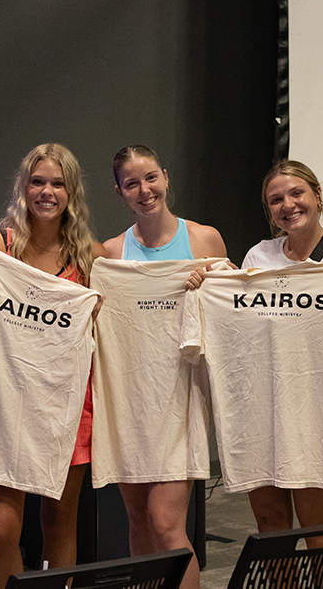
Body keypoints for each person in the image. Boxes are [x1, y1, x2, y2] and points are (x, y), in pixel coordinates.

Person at [0, 143, 106, 589]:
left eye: (57, 183)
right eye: (38, 181)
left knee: (59, 521)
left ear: (71, 193)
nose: (47, 191)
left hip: (67, 404)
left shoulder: (90, 257)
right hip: (2, 404)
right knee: (1, 528)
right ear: (23, 189)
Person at [99, 145, 226, 589]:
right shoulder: (112, 253)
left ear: (166, 177)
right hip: (128, 400)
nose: (144, 189)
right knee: (138, 520)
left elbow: (227, 317)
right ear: (120, 191)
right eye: (132, 183)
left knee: (166, 523)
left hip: (181, 397)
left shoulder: (203, 240)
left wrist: (208, 284)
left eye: (150, 177)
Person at [233, 159, 323, 547]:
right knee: (271, 530)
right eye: (276, 200)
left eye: (297, 193)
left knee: (317, 532)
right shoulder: (258, 259)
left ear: (317, 195)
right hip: (262, 413)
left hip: (317, 414)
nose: (288, 205)